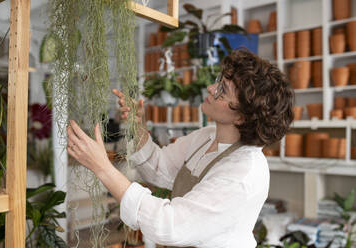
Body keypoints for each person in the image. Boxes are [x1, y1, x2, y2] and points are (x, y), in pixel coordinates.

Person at [67, 49, 294, 247]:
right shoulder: (206, 137)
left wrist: (104, 169)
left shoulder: (242, 171)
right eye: (218, 81)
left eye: (222, 90)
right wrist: (136, 127)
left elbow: (169, 224)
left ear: (242, 117)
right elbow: (160, 168)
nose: (210, 87)